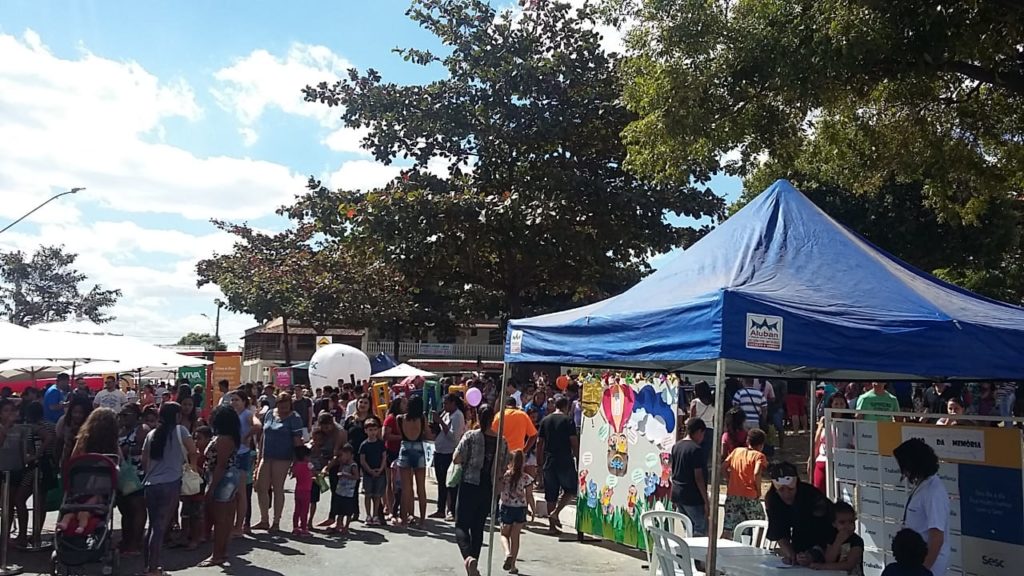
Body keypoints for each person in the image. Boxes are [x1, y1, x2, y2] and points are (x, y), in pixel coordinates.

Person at [141, 402, 197, 576]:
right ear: (177, 415)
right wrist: (192, 468)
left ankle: (148, 566)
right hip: (171, 482)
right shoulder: (181, 431)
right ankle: (153, 568)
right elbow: (193, 451)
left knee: (152, 526)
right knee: (160, 527)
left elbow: (145, 460)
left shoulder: (151, 434)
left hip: (151, 483)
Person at [454, 404, 508, 576]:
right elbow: (505, 464)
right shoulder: (502, 440)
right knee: (478, 526)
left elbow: (457, 457)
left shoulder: (470, 436)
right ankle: (474, 562)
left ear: (478, 416)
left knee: (461, 524)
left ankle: (468, 557)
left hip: (469, 483)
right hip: (488, 486)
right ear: (493, 419)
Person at [893, 439, 949, 576]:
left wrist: (922, 571)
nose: (904, 472)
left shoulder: (933, 492)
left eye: (904, 466)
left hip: (927, 565)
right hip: (914, 563)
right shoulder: (924, 485)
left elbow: (937, 537)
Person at [765, 461, 836, 566]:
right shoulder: (773, 500)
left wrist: (814, 554)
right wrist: (791, 554)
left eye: (791, 489)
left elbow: (829, 531)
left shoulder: (812, 497)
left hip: (828, 540)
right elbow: (779, 532)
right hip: (799, 541)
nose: (786, 494)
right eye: (781, 490)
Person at [252, 392, 303, 532]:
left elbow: (298, 441)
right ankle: (264, 520)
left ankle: (276, 521)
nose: (283, 409)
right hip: (266, 455)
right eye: (281, 406)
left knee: (277, 488)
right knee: (261, 487)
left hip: (283, 457)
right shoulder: (270, 414)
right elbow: (263, 435)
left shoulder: (294, 418)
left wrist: (297, 461)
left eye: (286, 407)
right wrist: (259, 457)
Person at [202, 405, 241, 567]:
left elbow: (220, 465)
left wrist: (211, 487)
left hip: (222, 478)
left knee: (220, 519)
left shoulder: (224, 439)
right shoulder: (230, 437)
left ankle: (217, 554)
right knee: (225, 518)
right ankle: (222, 552)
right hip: (228, 477)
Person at [537, 394, 578, 534]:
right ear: (566, 406)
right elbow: (573, 442)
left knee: (551, 494)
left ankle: (552, 527)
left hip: (549, 460)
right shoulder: (568, 421)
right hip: (564, 459)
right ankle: (556, 512)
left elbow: (539, 443)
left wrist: (539, 462)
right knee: (572, 489)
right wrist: (578, 457)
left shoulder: (545, 420)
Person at [722, 428, 768, 539]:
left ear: (747, 441)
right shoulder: (759, 456)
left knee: (729, 525)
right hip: (750, 494)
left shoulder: (737, 451)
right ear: (761, 445)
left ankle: (720, 548)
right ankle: (758, 545)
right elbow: (757, 472)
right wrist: (758, 490)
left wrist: (729, 480)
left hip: (733, 493)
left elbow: (723, 467)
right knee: (759, 522)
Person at [669, 417, 710, 536]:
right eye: (703, 434)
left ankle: (687, 551)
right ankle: (697, 554)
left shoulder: (676, 446)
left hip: (678, 494)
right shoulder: (696, 449)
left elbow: (674, 470)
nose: (702, 438)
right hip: (693, 496)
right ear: (699, 432)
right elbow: (698, 477)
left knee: (688, 527)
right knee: (700, 528)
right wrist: (705, 499)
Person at [397, 395, 432, 526]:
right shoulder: (422, 418)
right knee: (421, 487)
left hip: (405, 446)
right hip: (418, 448)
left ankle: (404, 519)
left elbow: (401, 435)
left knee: (406, 488)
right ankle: (422, 519)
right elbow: (428, 434)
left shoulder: (400, 418)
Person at [430, 393, 465, 520]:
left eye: (446, 403)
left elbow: (453, 437)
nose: (444, 406)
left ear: (453, 403)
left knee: (450, 483)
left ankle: (451, 510)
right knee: (441, 482)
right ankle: (440, 508)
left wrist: (441, 423)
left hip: (449, 452)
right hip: (440, 450)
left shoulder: (457, 416)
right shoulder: (446, 414)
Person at [313, 413, 348, 529]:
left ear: (332, 423)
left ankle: (335, 517)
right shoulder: (320, 429)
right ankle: (331, 517)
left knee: (337, 490)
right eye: (322, 427)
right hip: (323, 459)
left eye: (327, 428)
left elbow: (336, 454)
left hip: (338, 462)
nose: (325, 430)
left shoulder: (339, 432)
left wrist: (327, 468)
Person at [229, 391, 257, 535]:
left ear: (244, 401)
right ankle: (232, 523)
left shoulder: (247, 414)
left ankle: (239, 526)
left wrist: (246, 436)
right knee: (231, 491)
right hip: (232, 453)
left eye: (237, 400)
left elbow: (258, 426)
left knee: (241, 492)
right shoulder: (232, 414)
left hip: (242, 453)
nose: (234, 402)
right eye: (232, 400)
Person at [499, 450, 532, 575]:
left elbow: (498, 488)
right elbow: (529, 495)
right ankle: (513, 566)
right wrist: (532, 510)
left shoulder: (505, 476)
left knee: (504, 534)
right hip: (520, 508)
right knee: (515, 537)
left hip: (507, 507)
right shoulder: (526, 478)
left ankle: (508, 553)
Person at [810, 501, 864, 574]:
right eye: (842, 522)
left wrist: (822, 567)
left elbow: (849, 565)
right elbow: (828, 560)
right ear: (834, 524)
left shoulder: (857, 541)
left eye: (851, 522)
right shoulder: (832, 539)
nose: (847, 526)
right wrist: (838, 542)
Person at [359, 417, 387, 525]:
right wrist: (369, 470)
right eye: (370, 430)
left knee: (377, 495)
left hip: (380, 473)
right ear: (366, 431)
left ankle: (375, 515)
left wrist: (380, 469)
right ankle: (368, 515)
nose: (373, 432)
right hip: (368, 474)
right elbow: (362, 460)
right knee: (368, 494)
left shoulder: (380, 443)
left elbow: (384, 457)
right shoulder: (364, 445)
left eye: (375, 430)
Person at [382, 397, 406, 520]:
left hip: (402, 452)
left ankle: (402, 508)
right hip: (391, 452)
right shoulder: (391, 418)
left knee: (402, 483)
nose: (406, 405)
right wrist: (402, 437)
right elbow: (385, 435)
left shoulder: (405, 418)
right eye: (404, 403)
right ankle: (390, 507)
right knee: (390, 483)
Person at [332, 444, 359, 534]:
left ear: (349, 454)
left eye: (342, 455)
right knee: (340, 510)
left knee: (347, 511)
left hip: (348, 493)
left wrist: (345, 475)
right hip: (340, 491)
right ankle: (339, 524)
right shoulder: (343, 464)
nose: (341, 458)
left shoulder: (353, 465)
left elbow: (356, 477)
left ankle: (346, 526)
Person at [688, 381, 715, 465]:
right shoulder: (713, 402)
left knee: (695, 454)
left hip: (697, 430)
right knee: (705, 456)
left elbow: (692, 419)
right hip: (710, 429)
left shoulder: (695, 402)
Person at [292, 444, 313, 536]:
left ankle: (295, 527)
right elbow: (313, 472)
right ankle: (304, 527)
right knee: (304, 510)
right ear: (305, 456)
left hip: (298, 489)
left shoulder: (296, 465)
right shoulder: (308, 465)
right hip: (306, 490)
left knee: (297, 510)